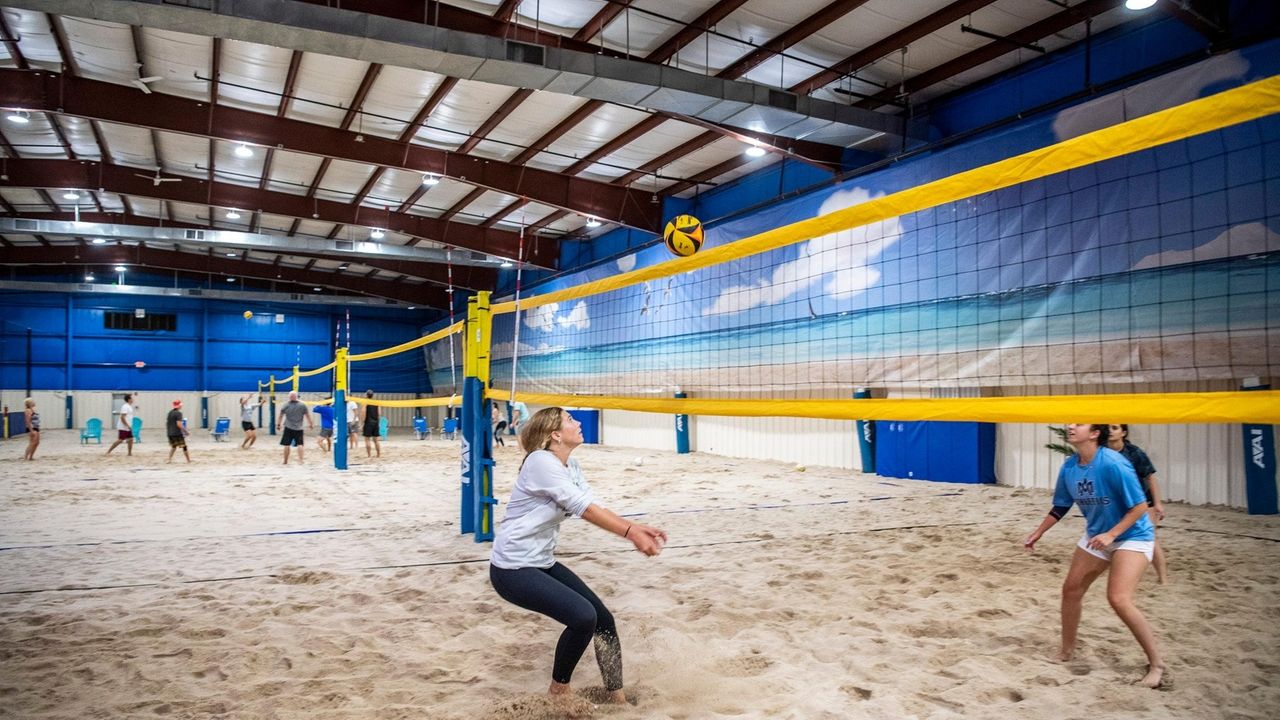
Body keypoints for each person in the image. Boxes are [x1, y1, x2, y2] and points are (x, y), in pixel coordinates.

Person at [489, 407, 667, 705]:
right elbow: (584, 509)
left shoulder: (570, 465)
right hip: (512, 569)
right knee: (583, 617)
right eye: (570, 419)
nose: (578, 422)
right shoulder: (540, 462)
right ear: (554, 434)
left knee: (603, 621)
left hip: (541, 563)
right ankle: (559, 692)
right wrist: (630, 534)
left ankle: (617, 698)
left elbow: (592, 503)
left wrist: (635, 526)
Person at [1022, 423, 1164, 688]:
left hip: (1132, 535)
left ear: (1095, 433)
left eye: (1079, 423)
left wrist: (1112, 534)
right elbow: (1061, 506)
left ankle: (1157, 665)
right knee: (1071, 590)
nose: (1070, 426)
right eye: (1070, 423)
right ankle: (1066, 651)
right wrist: (1038, 532)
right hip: (1098, 535)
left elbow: (1140, 506)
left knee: (1118, 598)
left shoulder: (1113, 463)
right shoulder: (1070, 466)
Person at [1108, 424, 1168, 584]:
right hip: (1117, 503)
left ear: (1124, 432)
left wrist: (1157, 503)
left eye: (1114, 428)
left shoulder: (1134, 453)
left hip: (1142, 501)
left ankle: (1163, 577)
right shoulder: (1102, 452)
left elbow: (1150, 477)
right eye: (1108, 428)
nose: (1110, 431)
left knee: (1151, 538)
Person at [276, 391, 314, 465]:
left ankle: (285, 461)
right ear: (297, 396)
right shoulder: (302, 405)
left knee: (286, 444)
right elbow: (307, 415)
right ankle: (300, 460)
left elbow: (280, 415)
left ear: (289, 397)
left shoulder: (285, 405)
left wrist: (278, 424)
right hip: (299, 428)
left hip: (288, 427)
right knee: (300, 444)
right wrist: (311, 424)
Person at [165, 399, 191, 464]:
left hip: (170, 433)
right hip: (177, 433)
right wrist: (186, 431)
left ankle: (169, 459)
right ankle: (188, 460)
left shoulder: (170, 413)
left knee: (173, 447)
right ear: (179, 406)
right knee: (184, 446)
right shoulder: (179, 413)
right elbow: (179, 424)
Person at [360, 390, 381, 458]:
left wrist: (362, 423)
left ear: (366, 395)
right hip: (375, 422)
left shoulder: (365, 403)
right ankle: (378, 454)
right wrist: (378, 422)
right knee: (376, 440)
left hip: (368, 422)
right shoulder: (376, 403)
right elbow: (379, 414)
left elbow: (363, 413)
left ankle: (369, 455)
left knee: (367, 439)